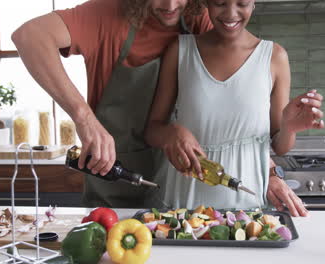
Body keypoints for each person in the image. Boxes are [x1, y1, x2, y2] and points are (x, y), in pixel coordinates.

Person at [12, 0, 213, 208]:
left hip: (180, 191)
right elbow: (29, 36)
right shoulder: (107, 14)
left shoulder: (197, 17)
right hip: (113, 188)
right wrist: (84, 119)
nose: (171, 5)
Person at [145, 0, 324, 216]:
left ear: (254, 3)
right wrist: (171, 132)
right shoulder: (181, 50)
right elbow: (151, 131)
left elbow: (280, 146)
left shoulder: (274, 57)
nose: (231, 14)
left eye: (242, 3)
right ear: (206, 4)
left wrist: (289, 128)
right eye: (220, 3)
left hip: (247, 205)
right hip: (183, 203)